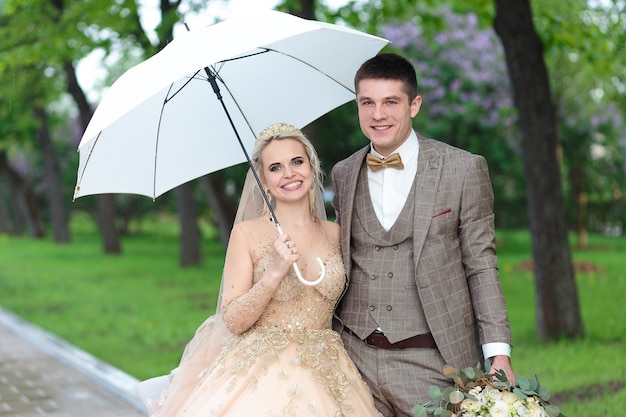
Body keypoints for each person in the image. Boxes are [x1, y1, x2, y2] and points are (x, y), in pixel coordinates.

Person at [138, 123, 382, 417]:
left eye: (297, 161)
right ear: (263, 180)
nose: (289, 173)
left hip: (329, 370)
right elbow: (234, 320)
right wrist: (275, 272)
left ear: (311, 166)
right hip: (259, 374)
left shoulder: (336, 233)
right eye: (276, 167)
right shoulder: (246, 234)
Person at [331, 53, 516, 417]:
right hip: (353, 358)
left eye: (390, 102)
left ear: (414, 105)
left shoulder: (463, 169)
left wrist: (499, 353)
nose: (378, 114)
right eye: (367, 102)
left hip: (433, 362)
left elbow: (481, 265)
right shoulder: (343, 172)